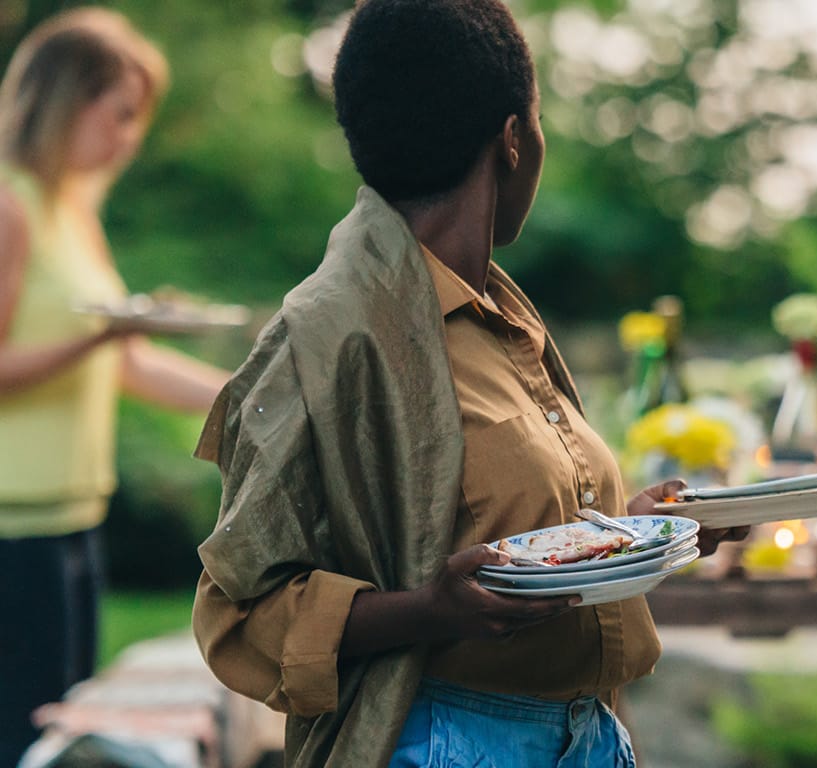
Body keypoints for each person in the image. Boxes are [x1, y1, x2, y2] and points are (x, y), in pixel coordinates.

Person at [189, 0, 749, 765]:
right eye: (539, 121)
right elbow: (238, 610)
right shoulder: (329, 337)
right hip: (442, 742)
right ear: (514, 140)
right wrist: (428, 612)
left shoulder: (498, 317)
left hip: (582, 736)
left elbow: (504, 533)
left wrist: (637, 530)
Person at [0, 8, 230, 765]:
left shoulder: (74, 211)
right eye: (122, 114)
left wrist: (243, 391)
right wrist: (100, 334)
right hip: (12, 531)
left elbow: (123, 364)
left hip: (71, 519)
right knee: (24, 741)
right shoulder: (10, 205)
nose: (132, 136)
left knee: (64, 735)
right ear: (68, 98)